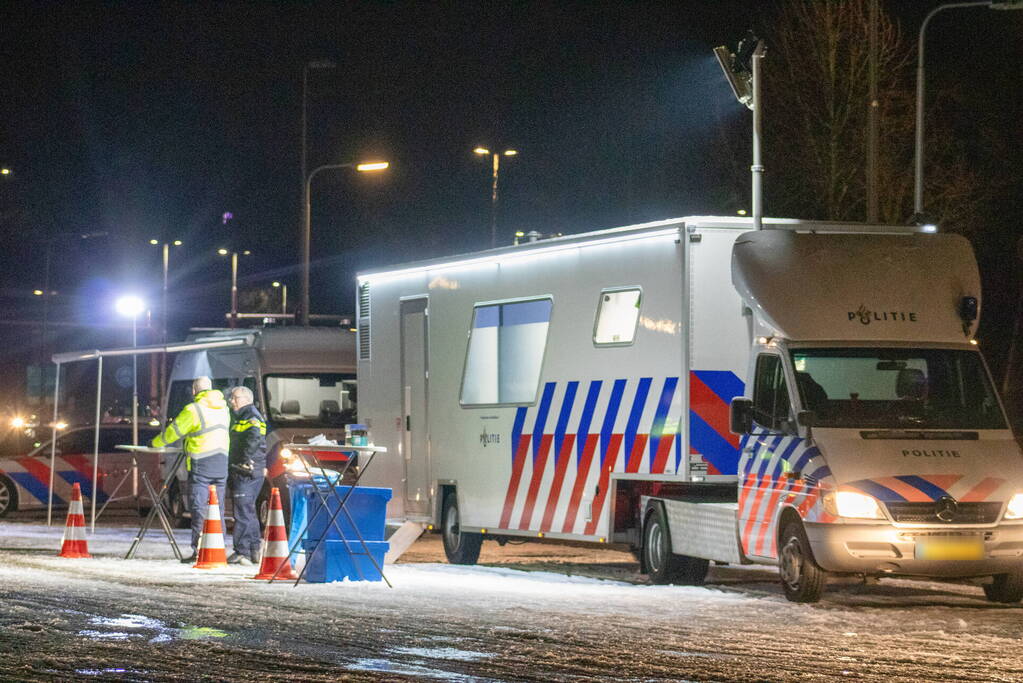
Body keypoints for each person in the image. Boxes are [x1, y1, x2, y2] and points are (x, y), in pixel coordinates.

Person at [151, 376, 230, 564]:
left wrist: (155, 443)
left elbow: (173, 432)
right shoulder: (223, 408)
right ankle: (218, 548)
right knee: (217, 508)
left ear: (194, 391)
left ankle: (199, 550)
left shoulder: (194, 409)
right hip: (221, 462)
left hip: (201, 462)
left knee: (199, 507)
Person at [226, 385, 267, 565]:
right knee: (248, 510)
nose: (231, 401)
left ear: (246, 399)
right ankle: (253, 549)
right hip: (244, 469)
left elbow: (254, 438)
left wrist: (244, 460)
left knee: (243, 510)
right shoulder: (241, 416)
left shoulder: (251, 416)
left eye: (235, 398)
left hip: (246, 470)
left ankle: (242, 551)